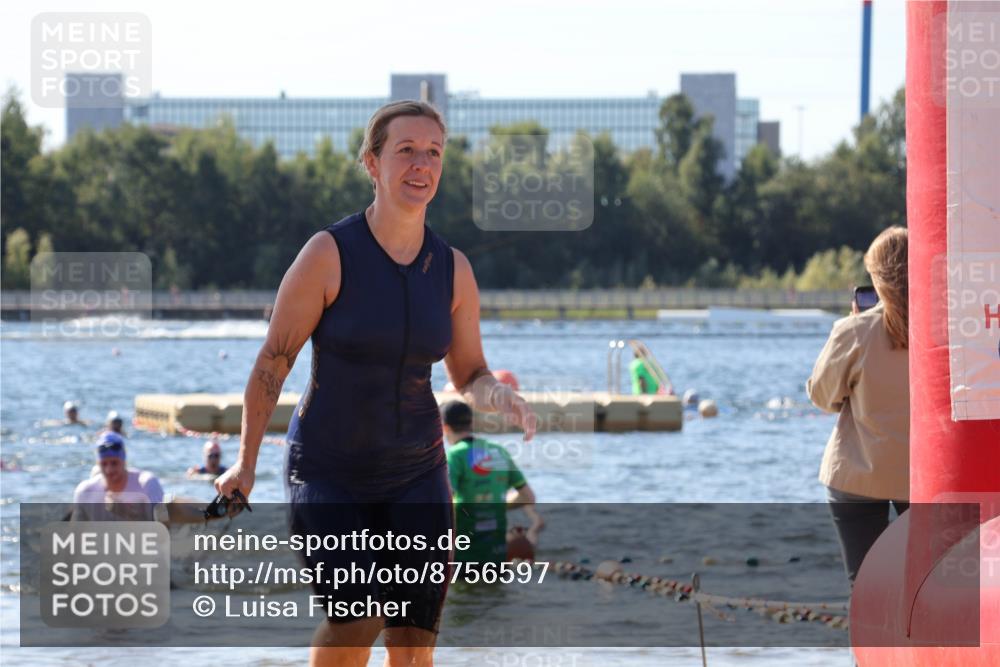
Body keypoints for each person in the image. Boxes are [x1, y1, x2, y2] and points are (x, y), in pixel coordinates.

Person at [214, 100, 537, 667]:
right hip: (329, 469)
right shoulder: (328, 254)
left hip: (418, 473)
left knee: (414, 643)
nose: (422, 164)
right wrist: (245, 464)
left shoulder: (454, 268)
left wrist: (500, 396)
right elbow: (273, 362)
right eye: (405, 150)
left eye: (433, 152)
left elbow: (469, 374)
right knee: (358, 616)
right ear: (372, 162)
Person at [807, 226, 910, 585]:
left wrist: (855, 324)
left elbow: (823, 397)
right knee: (932, 582)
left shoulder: (854, 331)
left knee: (865, 585)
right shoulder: (946, 329)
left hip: (858, 473)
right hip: (924, 476)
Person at [440, 400, 544, 564]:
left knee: (463, 589)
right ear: (472, 423)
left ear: (444, 428)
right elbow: (528, 497)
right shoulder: (498, 451)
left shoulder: (455, 456)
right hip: (497, 552)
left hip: (465, 553)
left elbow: (442, 505)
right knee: (494, 588)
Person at [72, 432, 166, 522]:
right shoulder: (85, 491)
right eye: (104, 464)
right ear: (98, 464)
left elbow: (163, 529)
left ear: (124, 461)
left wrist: (127, 514)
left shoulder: (147, 484)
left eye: (114, 463)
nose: (109, 470)